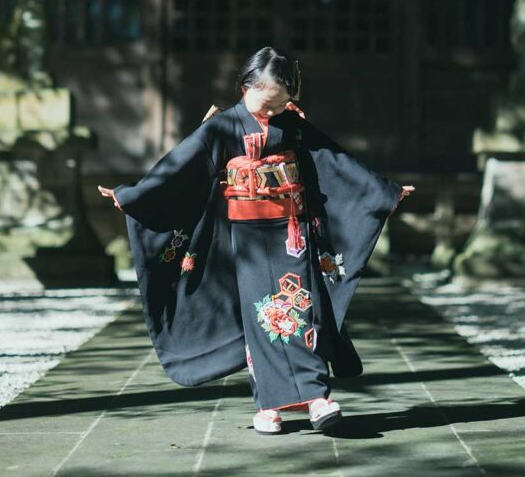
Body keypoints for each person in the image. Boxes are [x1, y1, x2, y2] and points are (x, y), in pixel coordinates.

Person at [98, 46, 414, 434]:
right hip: (243, 240)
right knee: (260, 317)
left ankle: (317, 399)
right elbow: (179, 167)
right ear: (246, 86)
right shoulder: (221, 126)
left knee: (302, 309)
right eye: (267, 102)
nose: (273, 110)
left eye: (281, 103)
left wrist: (384, 192)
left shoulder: (292, 125)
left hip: (292, 235)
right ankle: (269, 406)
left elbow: (333, 160)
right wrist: (130, 195)